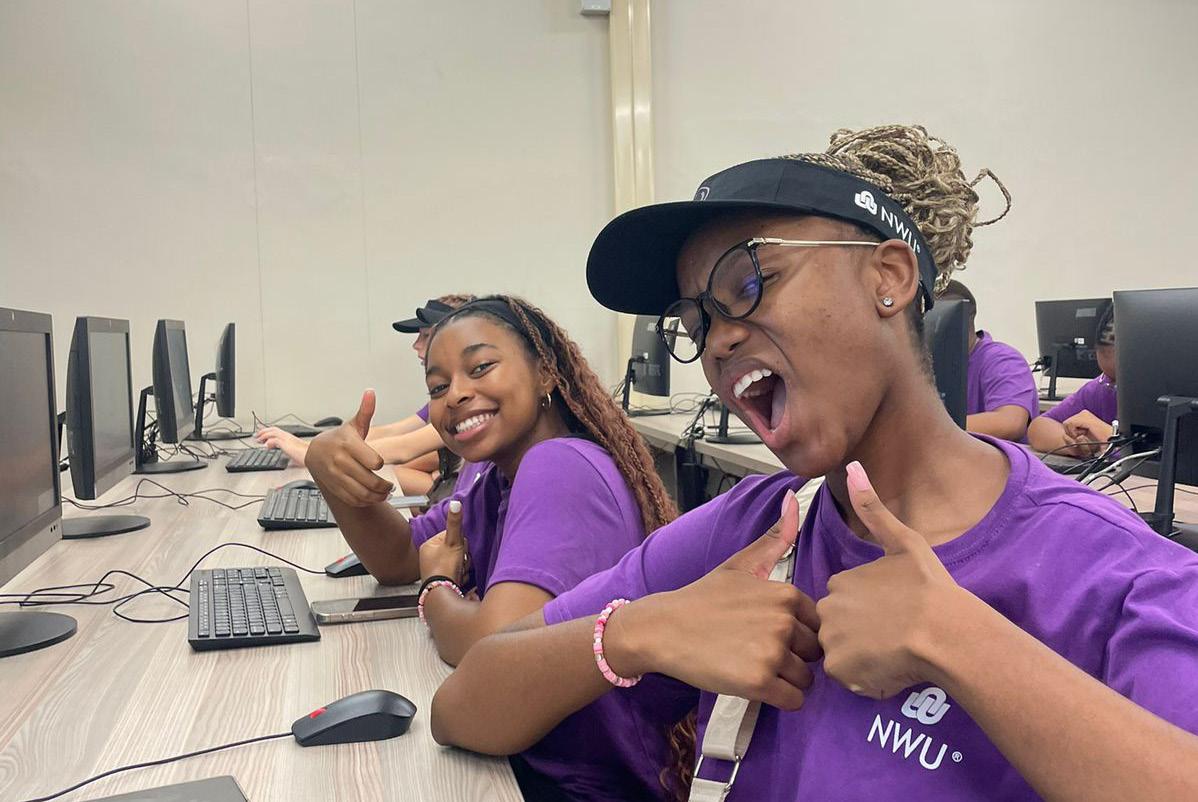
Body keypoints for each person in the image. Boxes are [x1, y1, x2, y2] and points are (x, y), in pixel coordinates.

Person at [431, 125, 1198, 801]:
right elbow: (466, 701)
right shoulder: (756, 531)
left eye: (748, 283)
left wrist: (961, 643)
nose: (719, 340)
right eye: (697, 323)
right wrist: (638, 630)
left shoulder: (1116, 576)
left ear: (888, 278)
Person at [305, 295, 687, 801]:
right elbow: (397, 557)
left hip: (573, 787)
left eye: (481, 368)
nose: (456, 395)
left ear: (546, 372)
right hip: (527, 765)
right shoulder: (495, 481)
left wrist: (436, 588)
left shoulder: (560, 467)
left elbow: (492, 645)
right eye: (437, 387)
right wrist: (324, 465)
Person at [256, 295, 475, 494]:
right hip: (449, 488)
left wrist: (315, 456)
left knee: (383, 473)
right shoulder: (440, 397)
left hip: (460, 498)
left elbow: (403, 448)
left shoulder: (461, 402)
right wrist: (314, 446)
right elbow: (392, 431)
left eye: (426, 336)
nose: (415, 345)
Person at [937, 280, 1039, 442]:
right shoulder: (931, 363)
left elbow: (1010, 423)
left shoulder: (1003, 360)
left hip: (989, 457)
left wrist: (928, 428)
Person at [1027, 303, 1117, 457]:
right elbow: (1039, 428)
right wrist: (1076, 445)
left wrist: (1112, 437)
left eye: (1119, 381)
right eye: (1107, 376)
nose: (1111, 386)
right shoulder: (1101, 387)